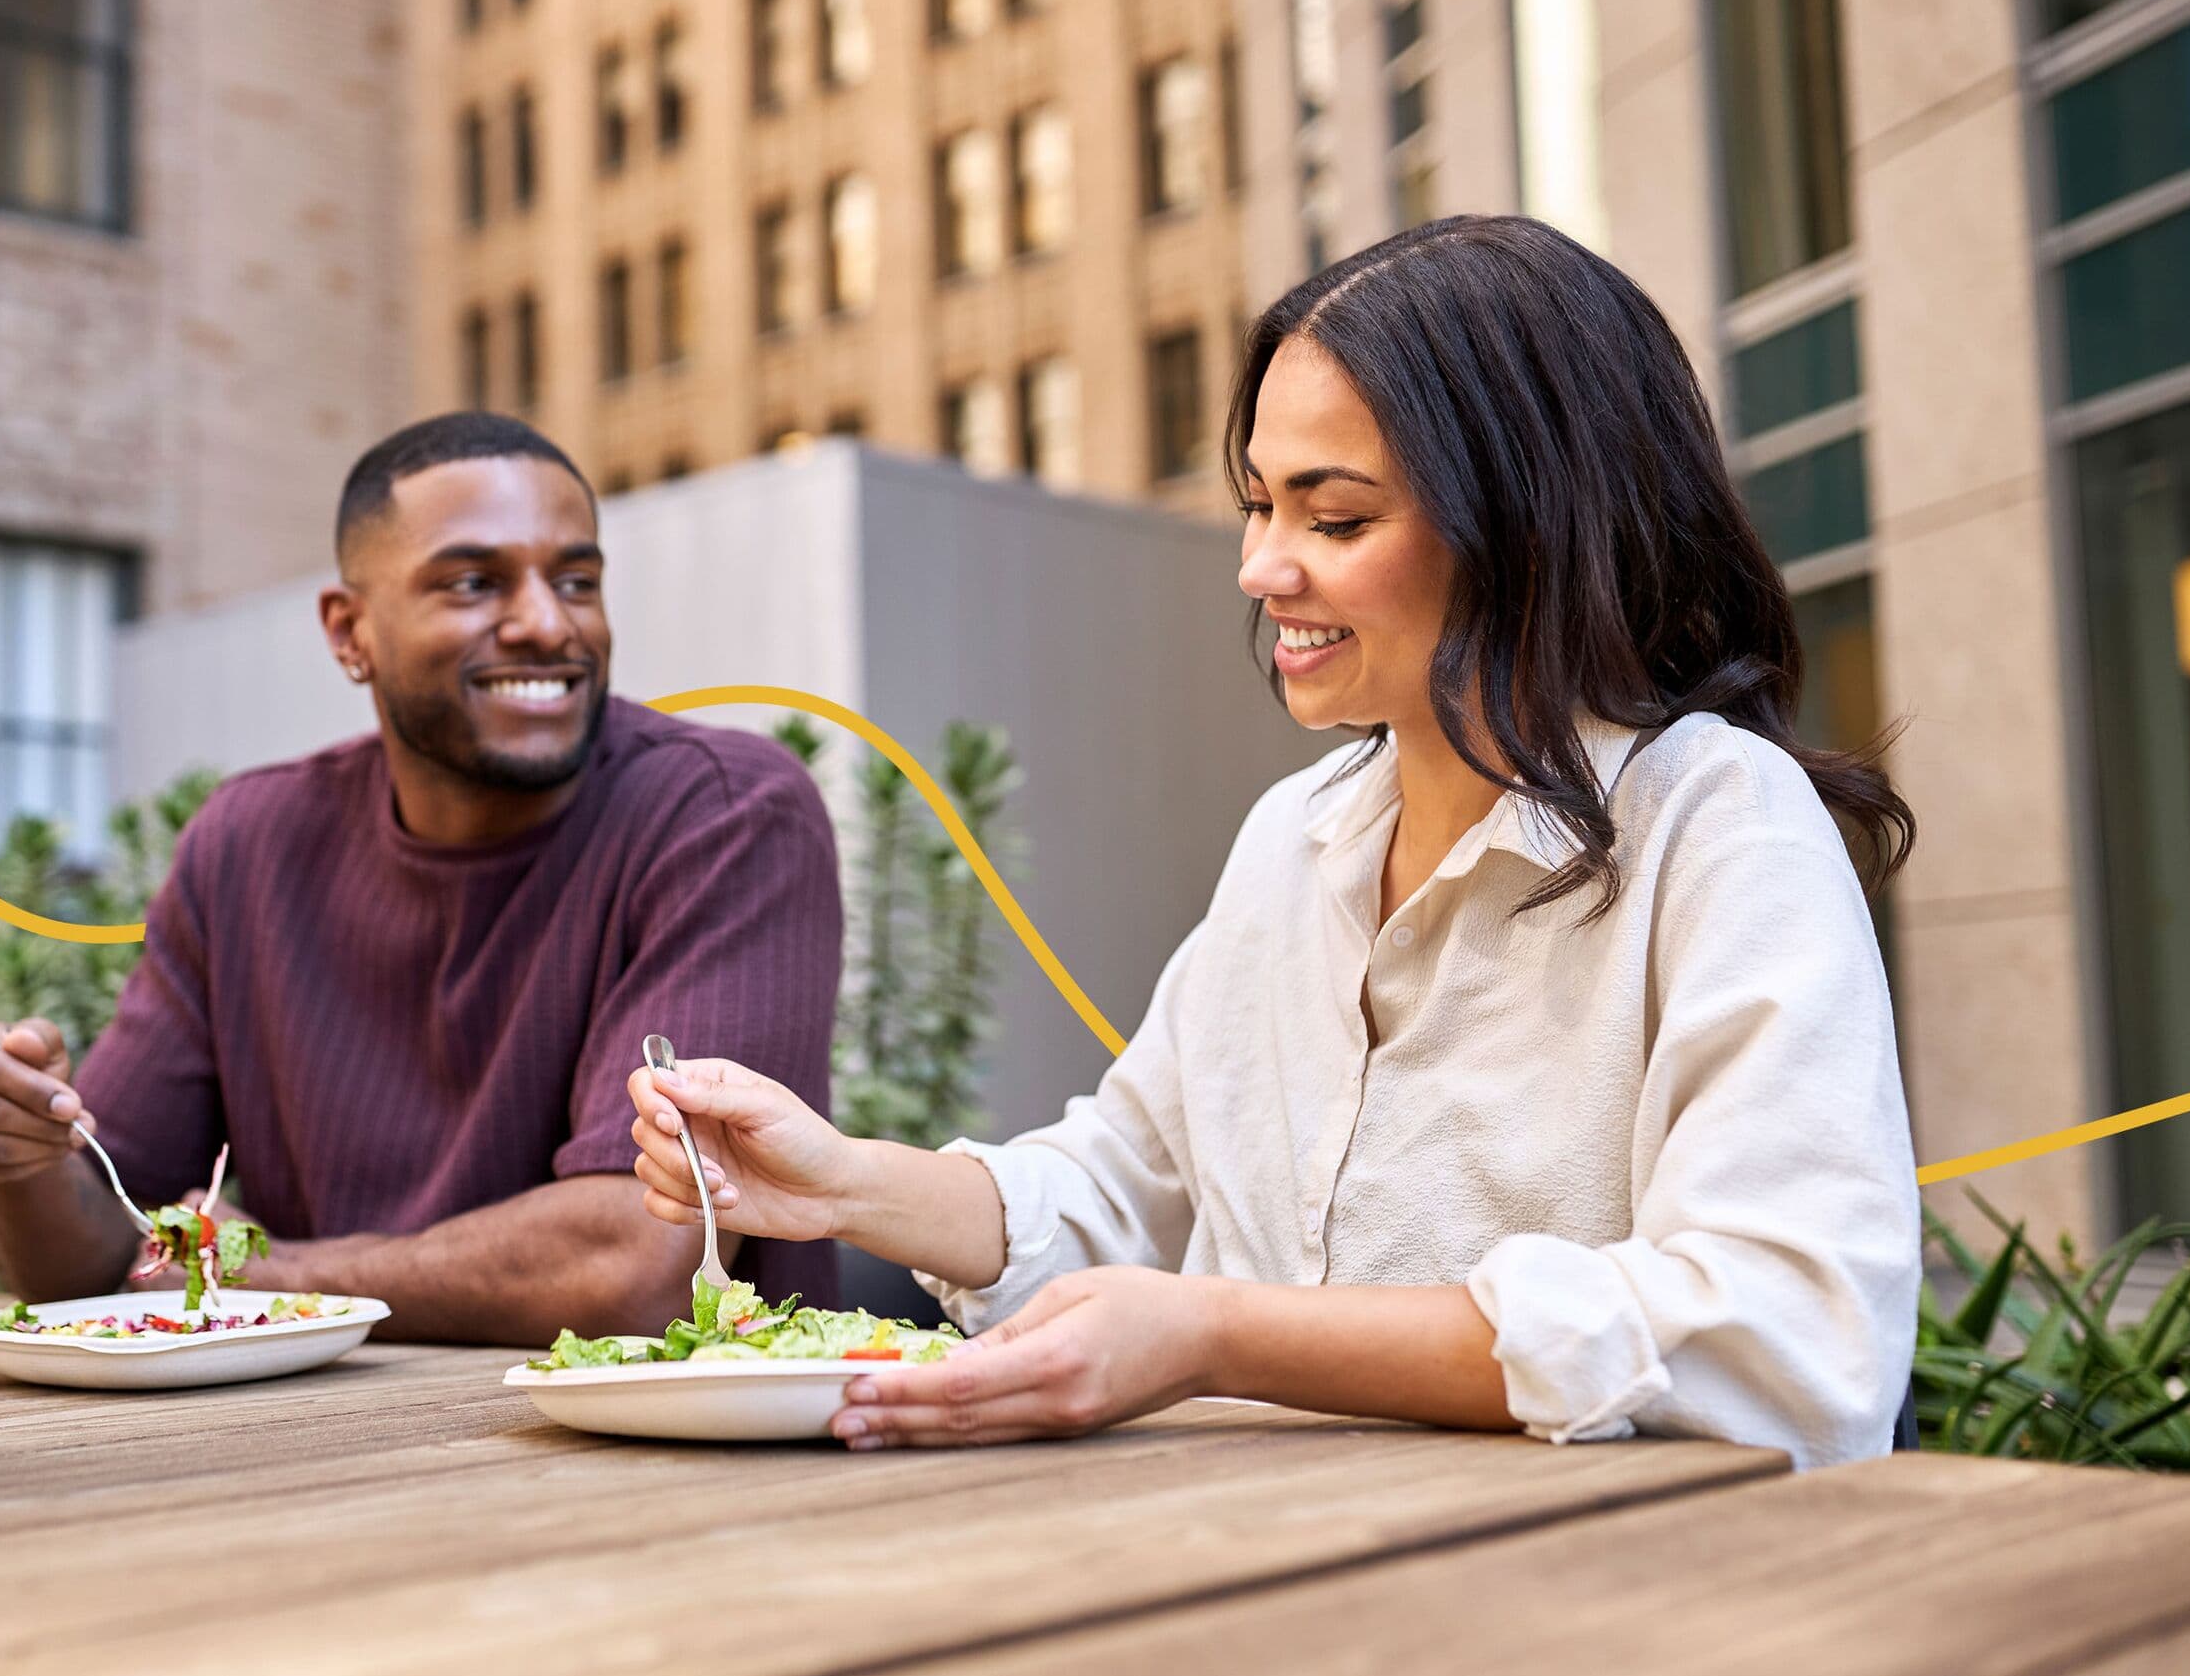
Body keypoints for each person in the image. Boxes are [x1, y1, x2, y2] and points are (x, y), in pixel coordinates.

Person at [627, 216, 1921, 1467]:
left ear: (1528, 529)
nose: (1261, 568)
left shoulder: (1720, 825)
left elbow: (1788, 1341)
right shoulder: (1293, 839)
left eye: (1335, 517)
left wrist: (1217, 1335)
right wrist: (841, 1184)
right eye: (1259, 505)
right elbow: (1126, 1184)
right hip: (1261, 1565)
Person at [0, 411, 842, 1343]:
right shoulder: (248, 846)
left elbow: (636, 1267)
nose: (547, 623)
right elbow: (96, 1253)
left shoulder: (727, 815)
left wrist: (265, 1274)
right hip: (334, 1452)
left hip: (681, 1462)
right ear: (349, 631)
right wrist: (11, 1153)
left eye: (577, 581)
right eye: (476, 583)